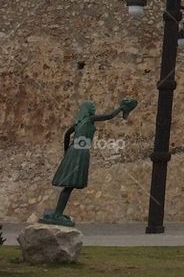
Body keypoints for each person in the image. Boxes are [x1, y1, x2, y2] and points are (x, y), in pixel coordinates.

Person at [41, 97, 137, 226]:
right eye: (91, 106)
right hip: (79, 151)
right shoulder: (90, 119)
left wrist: (67, 151)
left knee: (68, 186)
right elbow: (109, 116)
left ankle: (58, 213)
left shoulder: (78, 123)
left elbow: (66, 135)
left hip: (74, 150)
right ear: (87, 110)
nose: (93, 108)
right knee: (69, 186)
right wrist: (121, 108)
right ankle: (57, 214)